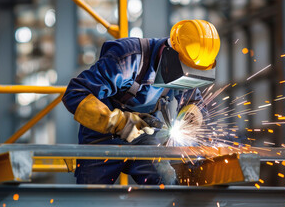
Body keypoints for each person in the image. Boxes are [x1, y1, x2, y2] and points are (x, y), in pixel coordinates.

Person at [62, 20, 220, 185]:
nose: (186, 76)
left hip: (144, 134)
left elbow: (194, 100)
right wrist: (118, 122)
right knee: (92, 198)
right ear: (170, 52)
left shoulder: (185, 68)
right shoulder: (128, 58)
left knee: (165, 182)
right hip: (101, 137)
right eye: (185, 70)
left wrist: (193, 114)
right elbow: (75, 93)